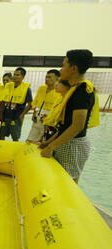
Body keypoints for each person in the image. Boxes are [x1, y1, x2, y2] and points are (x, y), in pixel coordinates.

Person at [40, 49, 99, 184]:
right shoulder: (73, 89)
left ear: (73, 68)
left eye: (64, 65)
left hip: (73, 145)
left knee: (69, 182)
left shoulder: (82, 91)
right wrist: (48, 143)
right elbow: (65, 125)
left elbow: (77, 126)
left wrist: (51, 146)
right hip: (65, 141)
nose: (61, 70)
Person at [26, 69, 61, 143]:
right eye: (46, 77)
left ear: (57, 78)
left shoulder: (59, 91)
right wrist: (34, 113)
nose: (47, 79)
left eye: (50, 77)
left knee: (42, 141)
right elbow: (36, 102)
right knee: (30, 140)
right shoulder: (42, 88)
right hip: (38, 116)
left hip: (49, 119)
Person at [0, 67, 33, 141]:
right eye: (14, 74)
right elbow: (3, 102)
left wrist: (22, 115)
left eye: (17, 75)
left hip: (17, 117)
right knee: (1, 136)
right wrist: (1, 114)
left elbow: (30, 104)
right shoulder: (8, 86)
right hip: (6, 115)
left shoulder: (26, 89)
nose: (15, 76)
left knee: (15, 137)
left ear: (23, 77)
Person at [40, 79, 70, 143]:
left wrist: (48, 143)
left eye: (59, 83)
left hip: (56, 136)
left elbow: (62, 128)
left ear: (67, 86)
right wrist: (41, 138)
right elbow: (50, 119)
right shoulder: (59, 99)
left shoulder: (68, 102)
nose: (56, 84)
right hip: (49, 131)